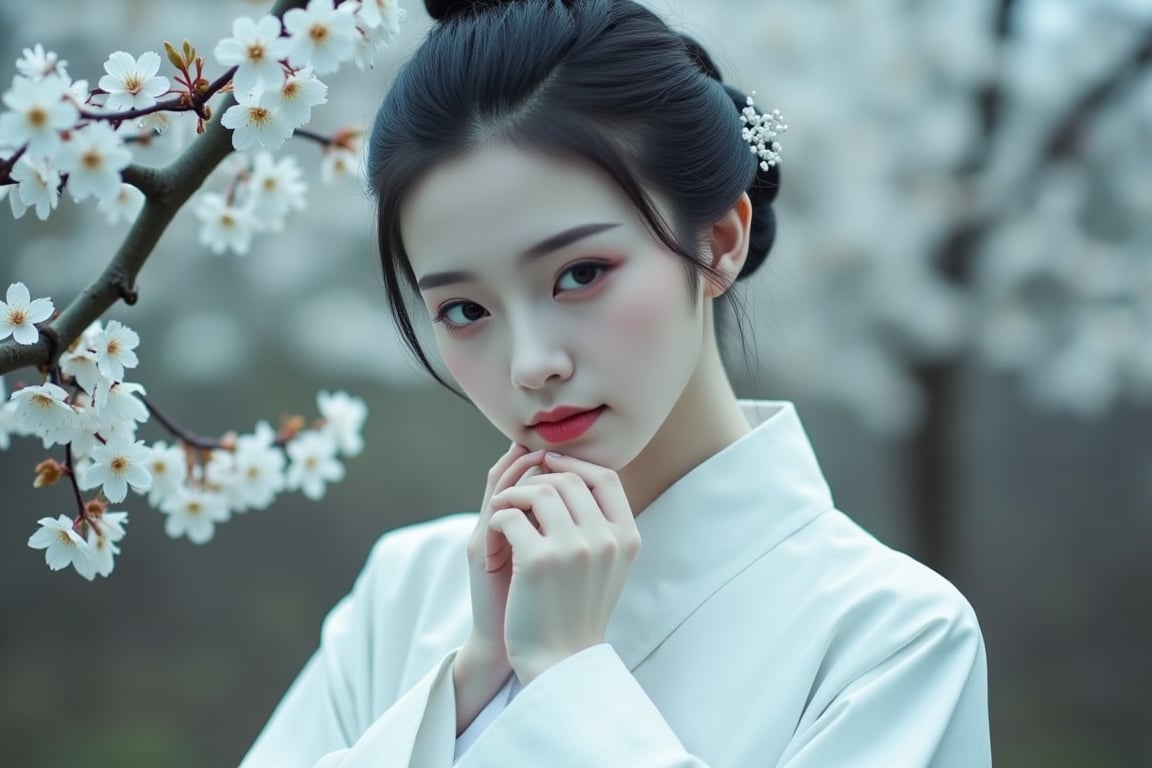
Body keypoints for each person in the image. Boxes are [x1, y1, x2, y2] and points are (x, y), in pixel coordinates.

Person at [239, 0, 992, 765]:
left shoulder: (892, 636)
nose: (532, 362)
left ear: (718, 241)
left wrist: (569, 678)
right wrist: (466, 688)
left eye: (580, 274)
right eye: (464, 309)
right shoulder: (405, 594)